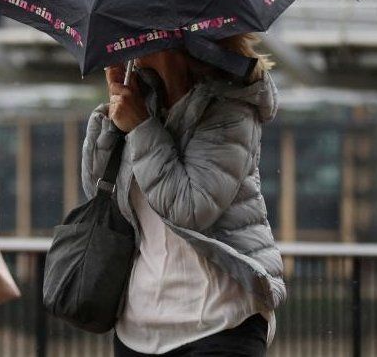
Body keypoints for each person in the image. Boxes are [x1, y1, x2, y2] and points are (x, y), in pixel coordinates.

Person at [81, 35, 285, 357]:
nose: (121, 38)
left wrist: (140, 128)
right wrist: (115, 114)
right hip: (138, 329)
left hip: (219, 322)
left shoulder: (229, 110)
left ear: (167, 37)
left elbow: (190, 207)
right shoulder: (142, 102)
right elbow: (100, 196)